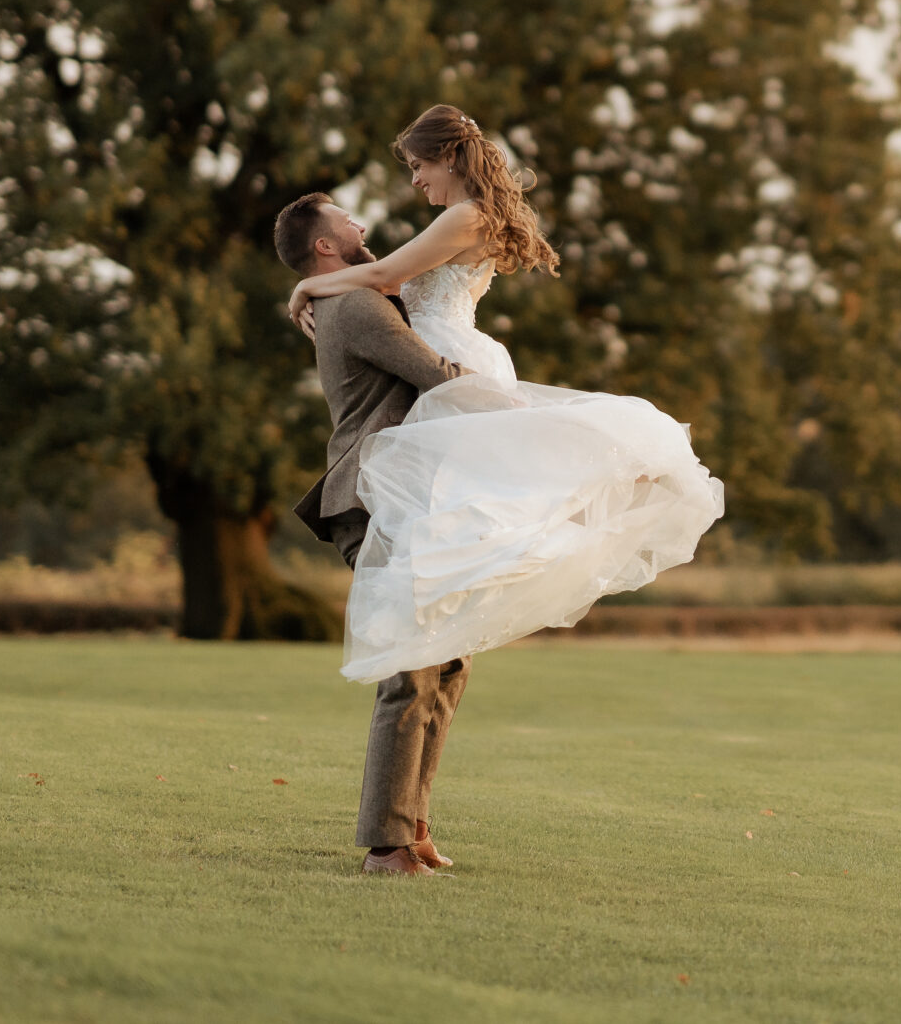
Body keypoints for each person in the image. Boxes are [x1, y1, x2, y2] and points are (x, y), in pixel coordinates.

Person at [284, 106, 724, 685]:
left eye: (420, 166)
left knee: (472, 504)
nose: (416, 180)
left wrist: (306, 286)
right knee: (457, 506)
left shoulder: (466, 215)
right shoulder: (470, 214)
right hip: (447, 352)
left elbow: (385, 277)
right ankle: (436, 637)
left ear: (449, 156)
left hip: (451, 357)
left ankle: (433, 634)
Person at [274, 191, 469, 879]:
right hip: (378, 498)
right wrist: (513, 402)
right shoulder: (355, 306)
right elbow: (436, 376)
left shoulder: (353, 293)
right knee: (411, 665)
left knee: (448, 661)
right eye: (344, 218)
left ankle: (411, 824)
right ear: (324, 245)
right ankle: (385, 847)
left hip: (410, 493)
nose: (359, 223)